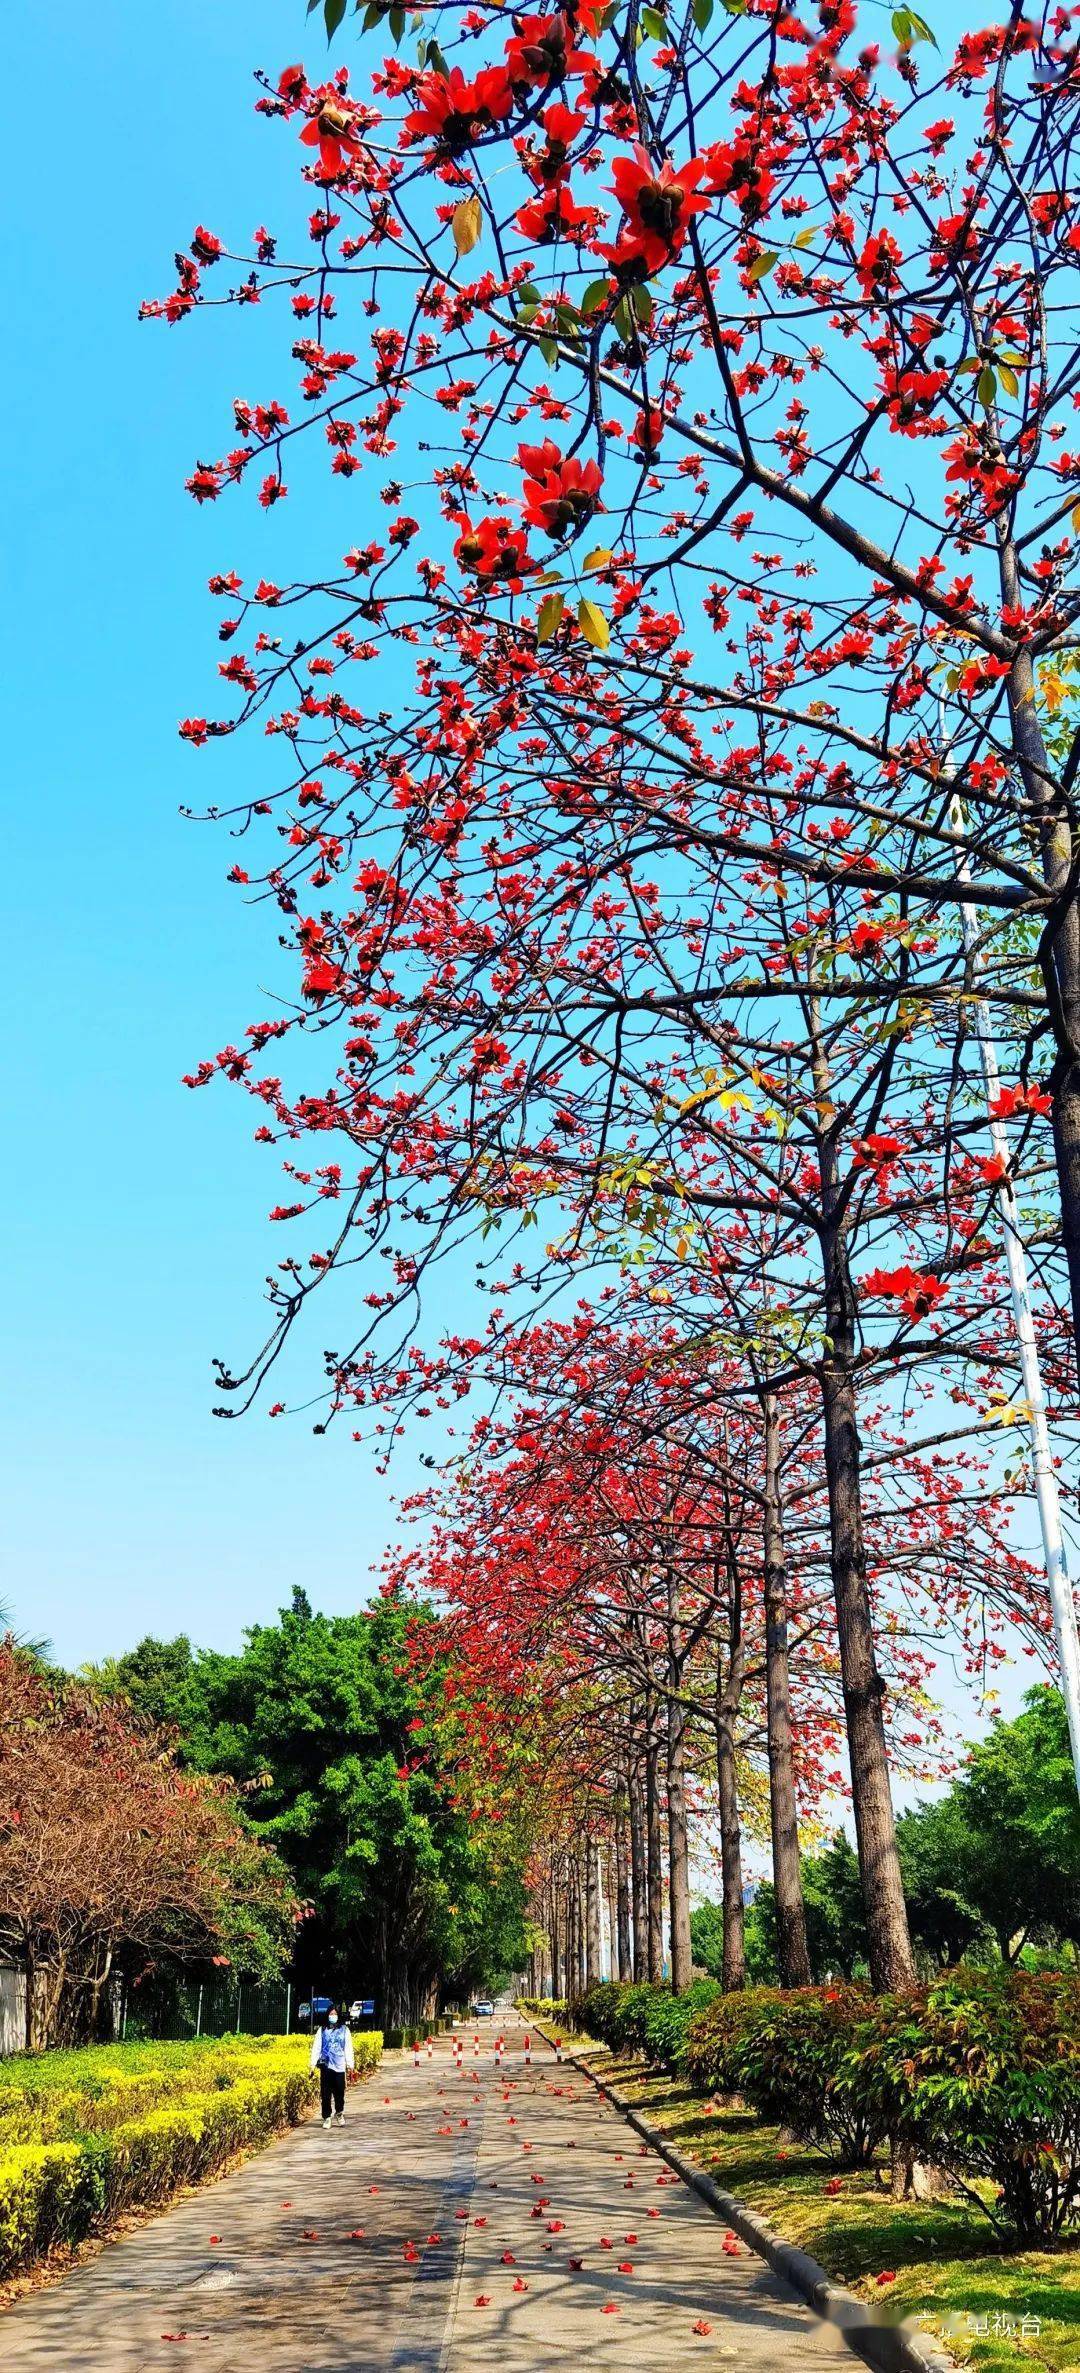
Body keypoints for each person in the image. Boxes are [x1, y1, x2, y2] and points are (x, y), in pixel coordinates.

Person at [310, 2006, 355, 2126]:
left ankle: (339, 2113)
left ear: (338, 2016)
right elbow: (316, 2048)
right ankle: (327, 2117)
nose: (333, 2016)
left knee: (339, 2092)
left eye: (335, 2014)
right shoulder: (322, 2030)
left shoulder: (345, 2030)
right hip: (326, 2065)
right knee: (325, 2093)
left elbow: (348, 2048)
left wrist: (350, 2065)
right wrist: (312, 2064)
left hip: (339, 2066)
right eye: (331, 2014)